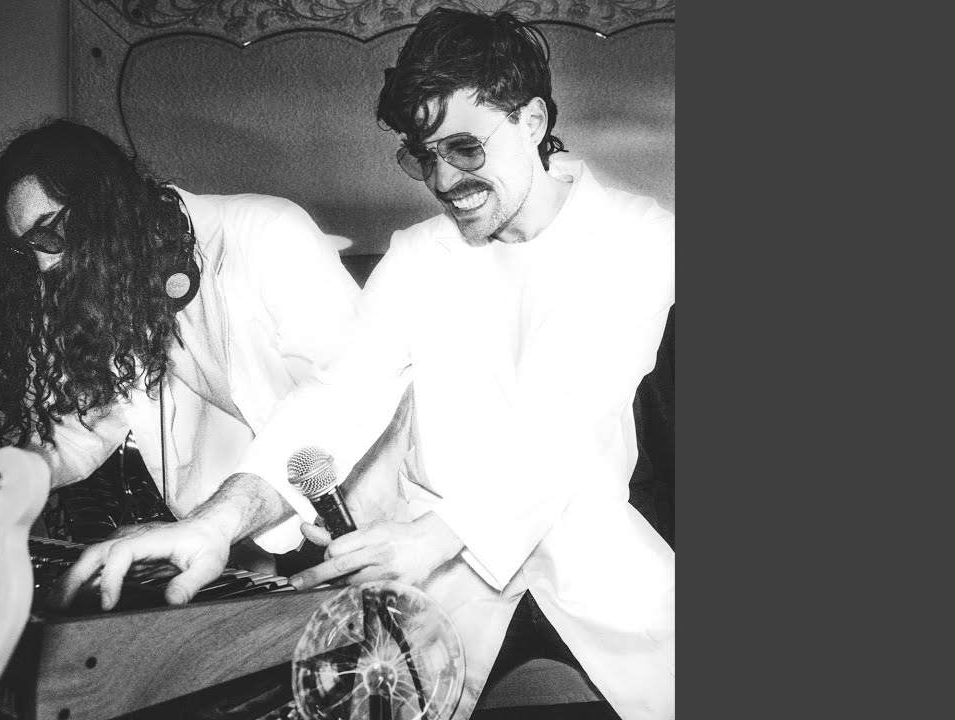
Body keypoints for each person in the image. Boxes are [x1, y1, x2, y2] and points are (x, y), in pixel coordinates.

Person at [50, 8, 674, 720]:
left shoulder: (640, 236)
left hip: (593, 577)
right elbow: (335, 398)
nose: (444, 178)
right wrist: (217, 524)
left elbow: (569, 421)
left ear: (531, 121)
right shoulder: (418, 255)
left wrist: (428, 540)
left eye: (465, 147)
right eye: (423, 155)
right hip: (445, 593)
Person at [0, 119, 409, 569]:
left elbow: (344, 395)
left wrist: (215, 522)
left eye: (48, 232)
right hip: (265, 524)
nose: (44, 264)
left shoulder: (268, 232)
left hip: (370, 514)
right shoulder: (119, 286)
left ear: (104, 205)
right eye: (28, 248)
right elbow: (81, 433)